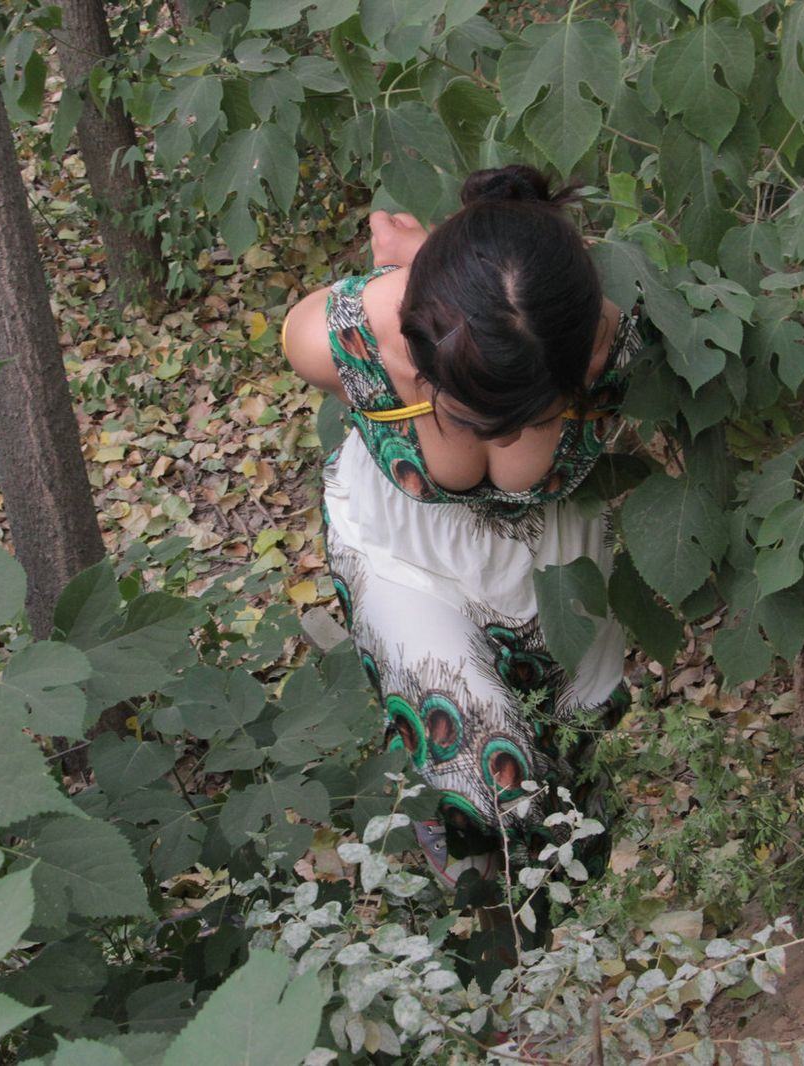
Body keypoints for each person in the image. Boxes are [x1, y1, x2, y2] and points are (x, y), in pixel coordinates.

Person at [281, 165, 649, 887]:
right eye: (470, 414)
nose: (503, 439)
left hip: (557, 566)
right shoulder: (343, 335)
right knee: (476, 776)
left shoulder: (600, 335)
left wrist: (451, 259)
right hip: (405, 556)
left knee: (573, 765)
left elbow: (529, 290)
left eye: (530, 418)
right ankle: (477, 898)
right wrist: (433, 268)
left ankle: (572, 916)